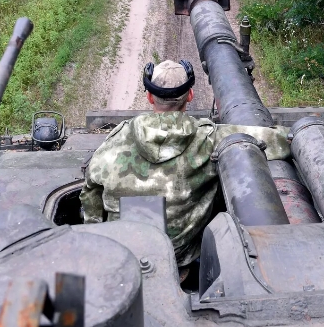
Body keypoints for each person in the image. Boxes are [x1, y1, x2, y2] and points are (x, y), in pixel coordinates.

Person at [79, 60, 291, 267]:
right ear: (190, 95)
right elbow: (274, 141)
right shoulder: (208, 139)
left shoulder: (114, 142)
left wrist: (96, 240)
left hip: (122, 257)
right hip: (179, 260)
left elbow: (90, 192)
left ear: (150, 97)